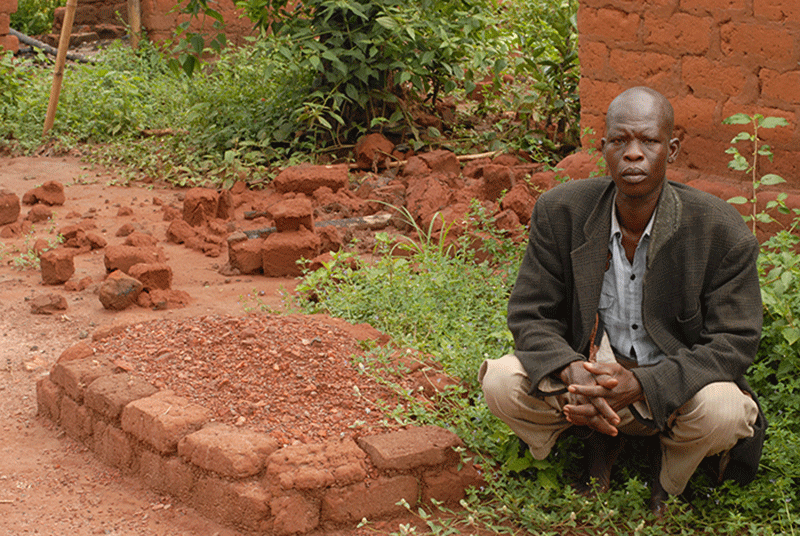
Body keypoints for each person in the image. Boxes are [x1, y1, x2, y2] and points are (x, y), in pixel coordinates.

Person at [479, 86, 766, 516]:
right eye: (620, 141)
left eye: (648, 141)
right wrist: (570, 368)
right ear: (604, 148)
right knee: (501, 381)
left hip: (671, 386)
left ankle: (668, 475)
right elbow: (529, 313)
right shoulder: (562, 211)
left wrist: (645, 384)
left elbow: (735, 342)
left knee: (724, 411)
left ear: (671, 149)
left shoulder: (718, 228)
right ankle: (596, 437)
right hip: (589, 375)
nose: (633, 154)